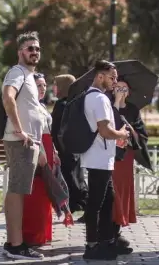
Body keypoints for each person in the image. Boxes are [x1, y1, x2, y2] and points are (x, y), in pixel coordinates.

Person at [0, 31, 46, 259]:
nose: (34, 52)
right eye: (30, 48)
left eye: (37, 48)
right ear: (20, 52)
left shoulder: (29, 75)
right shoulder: (17, 73)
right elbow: (7, 97)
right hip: (20, 141)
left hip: (27, 142)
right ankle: (16, 246)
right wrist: (20, 130)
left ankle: (14, 242)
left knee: (16, 191)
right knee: (17, 192)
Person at [80, 60, 132, 261]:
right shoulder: (99, 99)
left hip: (101, 157)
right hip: (98, 159)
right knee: (96, 203)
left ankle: (107, 240)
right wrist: (121, 134)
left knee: (107, 199)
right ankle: (92, 246)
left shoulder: (94, 96)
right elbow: (105, 130)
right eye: (112, 77)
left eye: (116, 77)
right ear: (100, 76)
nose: (115, 81)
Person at [111, 76, 150, 249]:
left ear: (129, 92)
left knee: (123, 192)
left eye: (124, 88)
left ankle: (117, 228)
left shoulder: (133, 109)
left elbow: (142, 135)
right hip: (109, 155)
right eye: (118, 88)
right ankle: (108, 229)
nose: (121, 91)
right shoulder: (107, 106)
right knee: (111, 192)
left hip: (125, 156)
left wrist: (131, 132)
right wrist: (116, 105)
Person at [21, 85, 60, 247]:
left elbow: (48, 130)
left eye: (44, 85)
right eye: (38, 85)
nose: (43, 88)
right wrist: (41, 151)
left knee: (46, 191)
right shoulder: (28, 106)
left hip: (48, 148)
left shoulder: (42, 106)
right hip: (38, 149)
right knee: (36, 191)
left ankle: (44, 232)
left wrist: (54, 151)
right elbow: (33, 132)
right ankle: (33, 234)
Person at [50, 74, 87, 216]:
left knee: (69, 180)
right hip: (73, 149)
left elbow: (56, 129)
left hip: (63, 149)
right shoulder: (74, 103)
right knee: (76, 179)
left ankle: (77, 206)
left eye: (56, 85)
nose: (54, 88)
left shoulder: (62, 105)